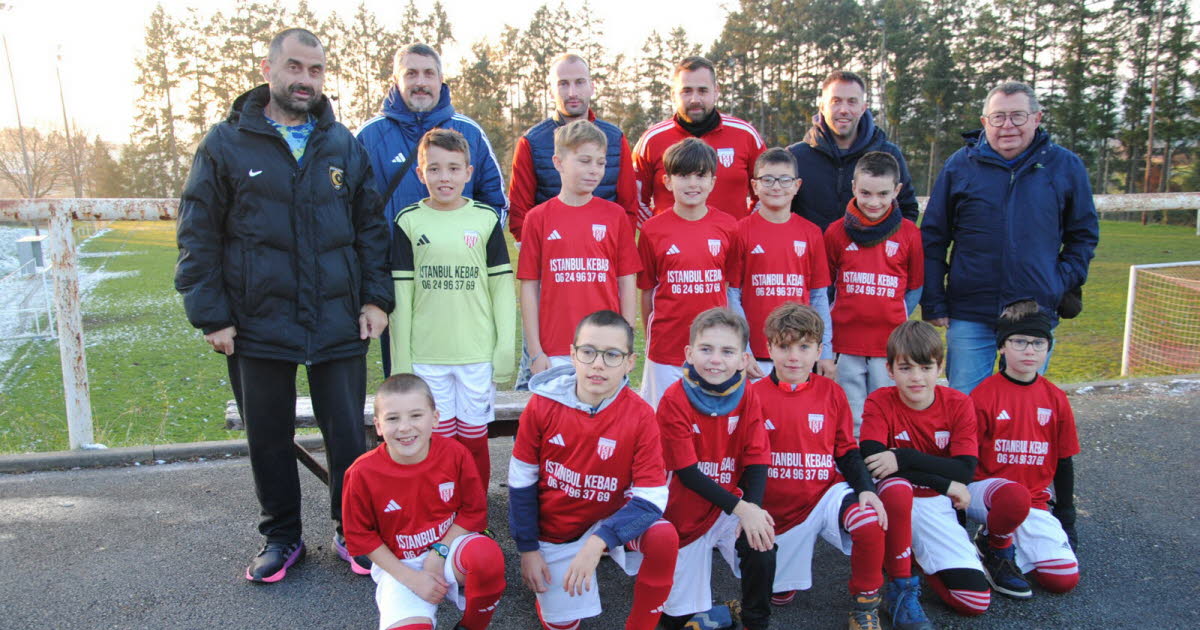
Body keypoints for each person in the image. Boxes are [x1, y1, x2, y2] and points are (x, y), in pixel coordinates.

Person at [175, 28, 392, 583]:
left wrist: (374, 298)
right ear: (270, 69)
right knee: (267, 437)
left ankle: (352, 532)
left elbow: (370, 228)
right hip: (256, 320)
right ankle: (281, 537)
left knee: (346, 434)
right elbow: (198, 234)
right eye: (295, 68)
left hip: (337, 316)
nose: (306, 80)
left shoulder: (343, 143)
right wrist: (213, 314)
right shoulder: (225, 145)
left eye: (316, 70)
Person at [921, 80, 1099, 394]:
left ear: (1037, 118)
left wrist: (1057, 283)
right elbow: (934, 236)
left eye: (1017, 116)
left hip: (1033, 310)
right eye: (998, 117)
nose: (1008, 126)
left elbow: (1083, 236)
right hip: (970, 310)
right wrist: (935, 301)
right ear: (984, 122)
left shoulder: (1065, 166)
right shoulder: (960, 166)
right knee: (965, 403)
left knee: (1020, 407)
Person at [508, 310, 678, 630]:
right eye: (588, 352)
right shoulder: (541, 405)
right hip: (558, 527)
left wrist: (599, 540)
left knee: (663, 536)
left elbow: (653, 497)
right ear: (572, 355)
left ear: (630, 362)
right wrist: (528, 548)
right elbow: (521, 484)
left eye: (612, 355)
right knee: (563, 625)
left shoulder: (641, 415)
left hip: (612, 517)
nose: (598, 364)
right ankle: (557, 595)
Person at [357, 43, 508, 377]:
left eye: (428, 73)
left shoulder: (469, 132)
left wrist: (465, 247)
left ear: (441, 79)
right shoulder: (370, 136)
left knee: (464, 370)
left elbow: (496, 203)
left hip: (460, 284)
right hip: (396, 281)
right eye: (411, 73)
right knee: (405, 379)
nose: (420, 82)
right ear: (396, 79)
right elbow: (353, 212)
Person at [387, 128, 515, 497]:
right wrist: (402, 360)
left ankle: (474, 510)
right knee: (436, 440)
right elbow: (402, 294)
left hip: (475, 353)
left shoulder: (486, 219)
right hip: (428, 355)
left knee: (474, 438)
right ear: (419, 172)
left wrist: (503, 347)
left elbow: (501, 289)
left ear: (469, 172)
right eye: (435, 169)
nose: (444, 178)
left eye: (454, 169)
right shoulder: (408, 221)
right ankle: (441, 507)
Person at [752, 302, 887, 630]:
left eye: (804, 346)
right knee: (778, 596)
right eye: (784, 347)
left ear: (819, 350)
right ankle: (782, 572)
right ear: (769, 347)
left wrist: (867, 489)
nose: (794, 357)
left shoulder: (832, 393)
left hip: (823, 497)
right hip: (777, 512)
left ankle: (866, 603)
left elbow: (846, 451)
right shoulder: (752, 396)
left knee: (868, 519)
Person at [342, 374, 506, 630]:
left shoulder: (455, 454)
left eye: (416, 415)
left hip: (449, 547)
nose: (405, 427)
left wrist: (439, 552)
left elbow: (473, 511)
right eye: (393, 418)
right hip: (400, 564)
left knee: (486, 556)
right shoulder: (362, 473)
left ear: (435, 418)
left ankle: (472, 625)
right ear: (378, 425)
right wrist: (411, 579)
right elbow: (361, 537)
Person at [859, 321, 992, 627]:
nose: (916, 377)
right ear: (890, 370)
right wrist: (942, 481)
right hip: (895, 501)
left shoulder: (959, 404)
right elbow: (871, 458)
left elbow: (965, 468)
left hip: (935, 504)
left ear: (939, 367)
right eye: (905, 368)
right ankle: (900, 584)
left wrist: (902, 456)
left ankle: (916, 555)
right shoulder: (880, 401)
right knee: (897, 489)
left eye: (925, 367)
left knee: (974, 601)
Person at [654, 308, 775, 630]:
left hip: (725, 506)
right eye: (706, 349)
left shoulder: (747, 393)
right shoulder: (673, 398)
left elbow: (757, 456)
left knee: (762, 543)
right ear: (689, 353)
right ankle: (709, 615)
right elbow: (688, 474)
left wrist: (754, 509)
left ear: (743, 360)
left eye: (727, 351)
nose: (715, 360)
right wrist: (743, 508)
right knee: (674, 619)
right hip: (684, 514)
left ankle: (754, 622)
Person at [967, 301, 1081, 600]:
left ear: (1047, 347)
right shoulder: (983, 395)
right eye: (1019, 342)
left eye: (1038, 343)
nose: (1030, 350)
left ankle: (1015, 539)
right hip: (988, 495)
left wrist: (1067, 515)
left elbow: (1064, 460)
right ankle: (992, 539)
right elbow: (965, 459)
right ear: (1002, 347)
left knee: (1063, 580)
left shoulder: (1055, 398)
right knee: (1009, 498)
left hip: (1034, 502)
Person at [518, 120, 640, 380]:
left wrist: (625, 342)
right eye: (585, 161)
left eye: (600, 162)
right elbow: (529, 287)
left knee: (605, 419)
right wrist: (535, 351)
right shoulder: (538, 218)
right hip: (556, 349)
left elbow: (627, 282)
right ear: (558, 162)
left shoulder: (615, 216)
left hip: (606, 349)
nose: (594, 170)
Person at [824, 152, 924, 431]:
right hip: (846, 343)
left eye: (883, 194)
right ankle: (852, 465)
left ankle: (885, 470)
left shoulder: (909, 234)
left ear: (897, 190)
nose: (874, 202)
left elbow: (914, 288)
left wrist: (893, 319)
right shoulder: (835, 233)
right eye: (865, 193)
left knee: (887, 412)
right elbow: (826, 287)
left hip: (889, 345)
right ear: (854, 187)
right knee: (851, 415)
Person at [637, 138, 738, 408]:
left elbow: (728, 288)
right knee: (661, 420)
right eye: (683, 175)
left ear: (713, 181)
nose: (692, 184)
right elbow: (647, 290)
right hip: (666, 348)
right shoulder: (652, 230)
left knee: (706, 423)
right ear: (668, 181)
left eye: (700, 175)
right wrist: (652, 340)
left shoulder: (728, 227)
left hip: (712, 349)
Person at [508, 53, 638, 243]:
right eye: (563, 84)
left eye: (579, 82)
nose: (572, 93)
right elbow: (520, 215)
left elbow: (629, 208)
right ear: (551, 90)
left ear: (592, 87)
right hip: (553, 261)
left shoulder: (615, 138)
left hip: (604, 257)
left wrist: (613, 249)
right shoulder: (531, 142)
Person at [727, 147, 833, 381]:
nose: (776, 186)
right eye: (768, 179)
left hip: (799, 354)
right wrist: (742, 348)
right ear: (755, 186)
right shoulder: (740, 231)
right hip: (756, 356)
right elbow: (732, 294)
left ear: (797, 185)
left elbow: (818, 296)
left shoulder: (811, 233)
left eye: (785, 180)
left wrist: (825, 349)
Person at [633, 56, 764, 225]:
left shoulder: (746, 135)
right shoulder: (652, 140)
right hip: (671, 249)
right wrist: (660, 236)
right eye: (686, 91)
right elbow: (635, 201)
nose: (695, 99)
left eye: (702, 90)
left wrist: (742, 233)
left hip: (732, 248)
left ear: (716, 91)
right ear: (673, 94)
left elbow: (765, 194)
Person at [787, 71, 919, 232]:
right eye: (836, 101)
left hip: (870, 256)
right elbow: (780, 212)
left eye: (852, 102)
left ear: (863, 107)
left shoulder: (889, 154)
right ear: (822, 106)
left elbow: (907, 209)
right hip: (809, 256)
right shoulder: (795, 157)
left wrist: (882, 249)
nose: (843, 110)